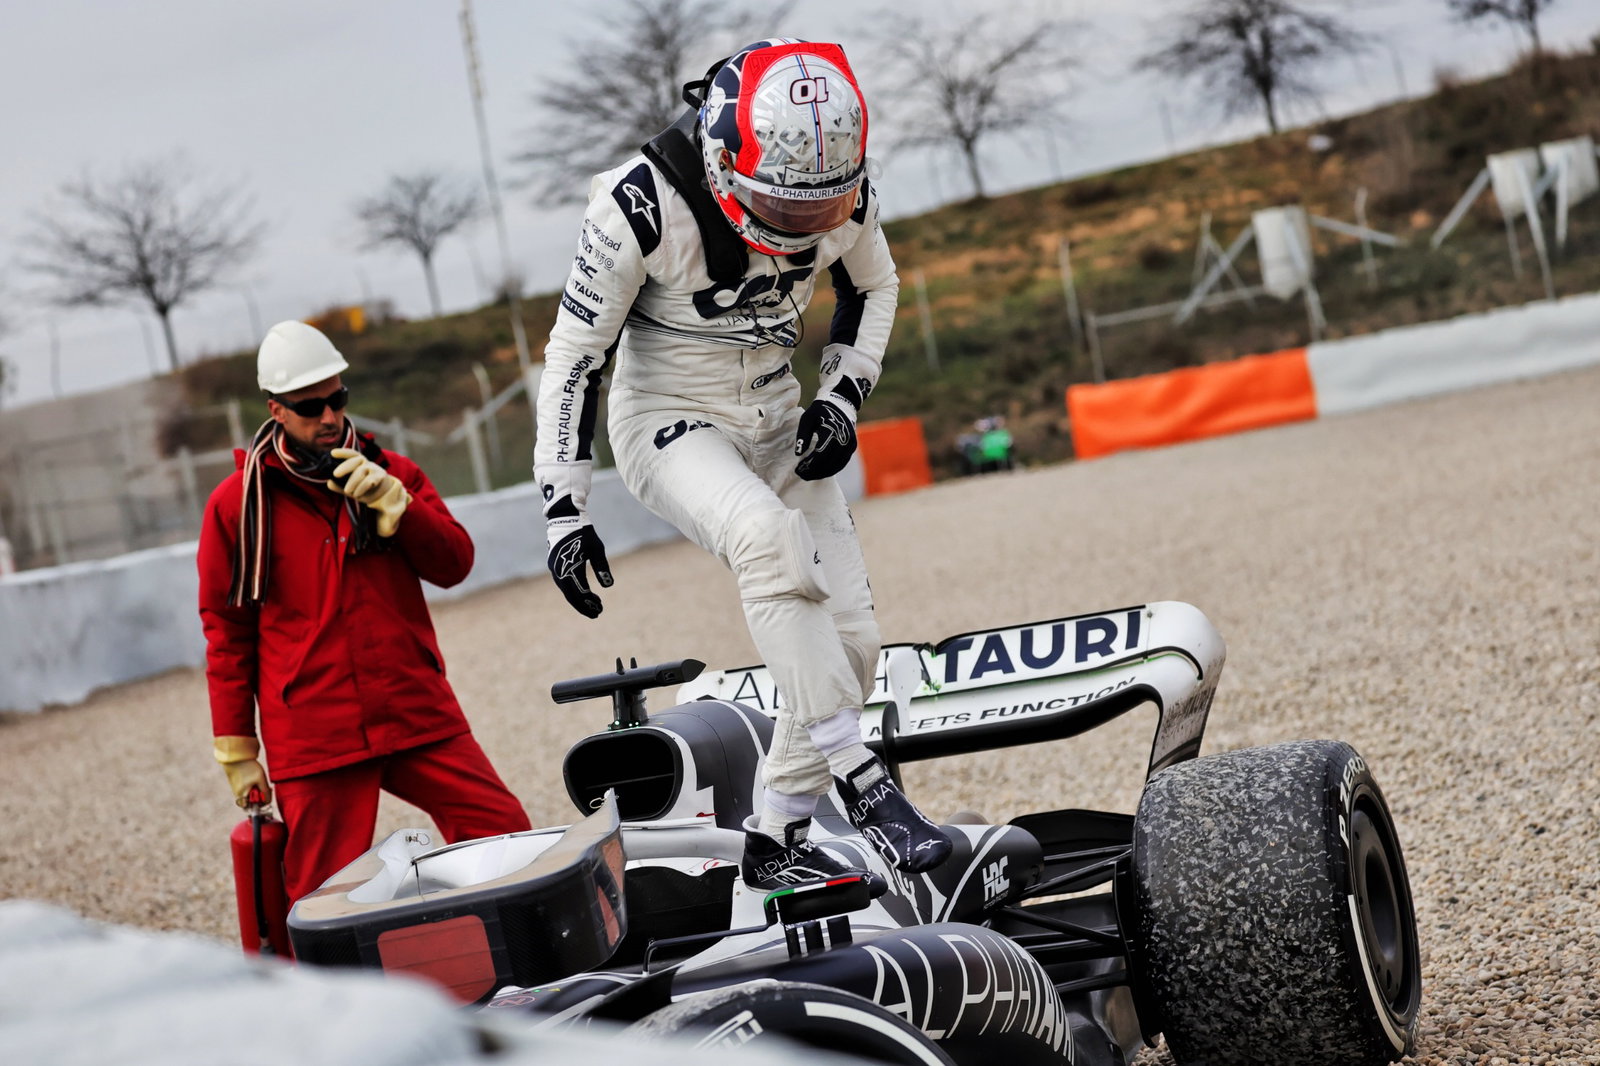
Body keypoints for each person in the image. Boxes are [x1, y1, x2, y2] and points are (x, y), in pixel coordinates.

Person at [533, 39, 952, 890]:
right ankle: (864, 783)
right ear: (725, 157)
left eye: (824, 204)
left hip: (781, 415)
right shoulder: (635, 206)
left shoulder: (844, 193)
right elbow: (575, 356)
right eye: (786, 205)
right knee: (765, 538)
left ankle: (778, 836)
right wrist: (564, 509)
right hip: (669, 422)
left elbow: (875, 284)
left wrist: (842, 397)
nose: (807, 226)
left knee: (854, 646)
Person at [198, 320, 531, 906]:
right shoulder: (237, 506)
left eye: (338, 398)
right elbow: (227, 633)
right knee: (322, 898)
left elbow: (455, 564)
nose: (329, 416)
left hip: (412, 705)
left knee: (505, 836)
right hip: (314, 729)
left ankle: (521, 954)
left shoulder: (394, 474)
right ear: (277, 410)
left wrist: (401, 507)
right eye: (310, 407)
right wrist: (237, 748)